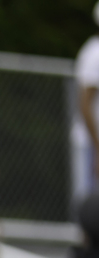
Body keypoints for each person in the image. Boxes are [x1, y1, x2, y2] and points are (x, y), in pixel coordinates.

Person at [77, 4, 99, 197]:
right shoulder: (96, 53)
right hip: (92, 143)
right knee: (91, 206)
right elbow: (85, 104)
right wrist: (97, 147)